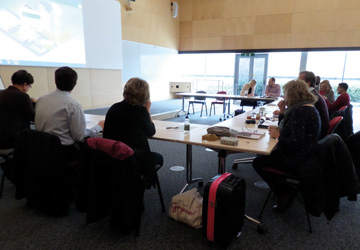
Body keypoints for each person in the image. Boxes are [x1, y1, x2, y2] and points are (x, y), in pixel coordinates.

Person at [253, 79, 321, 212]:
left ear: (293, 94)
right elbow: (291, 129)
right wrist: (283, 112)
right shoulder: (306, 107)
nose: (284, 96)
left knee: (258, 162)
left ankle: (285, 192)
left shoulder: (299, 112)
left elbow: (296, 143)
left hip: (298, 158)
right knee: (266, 153)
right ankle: (285, 187)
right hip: (308, 156)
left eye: (285, 93)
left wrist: (278, 135)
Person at [103, 77, 163, 186]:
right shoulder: (141, 112)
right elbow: (151, 131)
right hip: (134, 159)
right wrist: (148, 110)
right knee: (158, 158)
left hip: (113, 158)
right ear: (145, 95)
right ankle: (138, 186)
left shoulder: (114, 108)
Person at [35, 66, 104, 161]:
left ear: (55, 81)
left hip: (41, 150)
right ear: (75, 83)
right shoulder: (73, 105)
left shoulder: (41, 100)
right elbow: (80, 137)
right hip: (64, 153)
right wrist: (99, 127)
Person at [0, 70, 35, 149]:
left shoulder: (1, 94)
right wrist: (35, 103)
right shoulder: (22, 96)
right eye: (29, 86)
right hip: (14, 139)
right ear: (25, 84)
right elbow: (33, 117)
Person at [298, 71, 329, 139]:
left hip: (315, 134)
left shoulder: (310, 96)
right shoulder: (312, 93)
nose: (297, 82)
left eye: (300, 80)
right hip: (316, 129)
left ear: (308, 82)